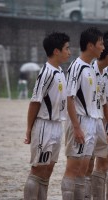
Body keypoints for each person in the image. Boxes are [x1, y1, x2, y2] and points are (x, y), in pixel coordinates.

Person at [23, 32, 71, 199]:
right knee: (38, 170)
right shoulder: (46, 72)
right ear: (56, 51)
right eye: (67, 48)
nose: (69, 52)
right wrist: (29, 129)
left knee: (48, 170)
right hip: (44, 125)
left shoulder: (60, 72)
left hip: (57, 125)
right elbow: (35, 102)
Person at [60, 27, 104, 200]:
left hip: (91, 122)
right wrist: (77, 128)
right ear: (90, 45)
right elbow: (69, 98)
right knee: (73, 168)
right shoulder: (76, 67)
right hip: (79, 121)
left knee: (84, 169)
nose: (103, 47)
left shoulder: (91, 68)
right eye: (100, 44)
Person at [88, 39, 108, 200]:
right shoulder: (89, 70)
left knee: (103, 164)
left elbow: (105, 101)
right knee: (86, 165)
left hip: (107, 121)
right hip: (92, 121)